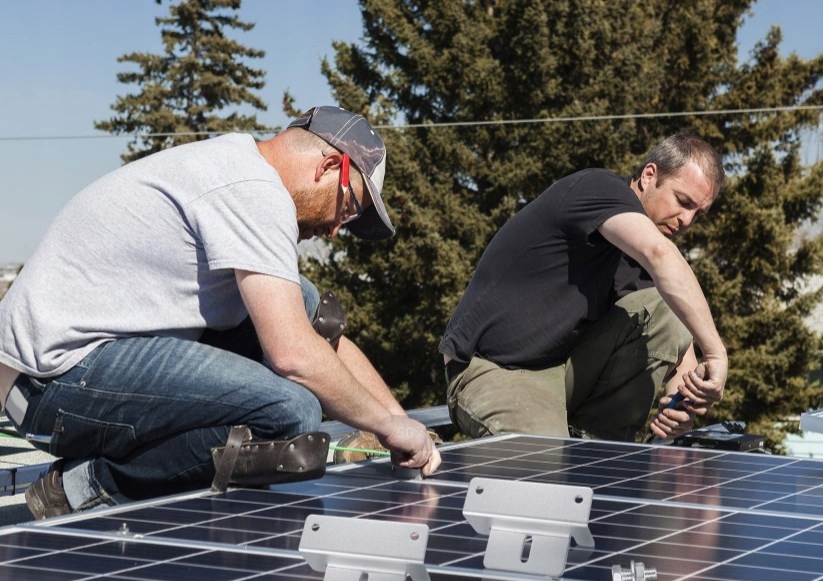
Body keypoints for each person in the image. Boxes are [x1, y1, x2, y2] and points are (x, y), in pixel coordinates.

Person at [0, 105, 441, 519]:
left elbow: (320, 336)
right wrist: (383, 423)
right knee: (291, 414)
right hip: (50, 382)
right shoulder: (253, 191)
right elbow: (294, 357)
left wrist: (399, 424)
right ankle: (83, 488)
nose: (334, 228)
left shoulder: (240, 166)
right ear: (328, 167)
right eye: (346, 207)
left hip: (81, 362)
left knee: (304, 302)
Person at [440, 133, 728, 443]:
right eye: (682, 202)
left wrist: (681, 404)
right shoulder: (598, 189)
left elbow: (677, 341)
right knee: (542, 461)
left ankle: (598, 448)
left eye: (698, 213)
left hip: (560, 373)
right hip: (492, 370)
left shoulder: (641, 260)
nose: (686, 219)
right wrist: (717, 353)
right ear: (649, 175)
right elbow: (661, 256)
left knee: (666, 308)